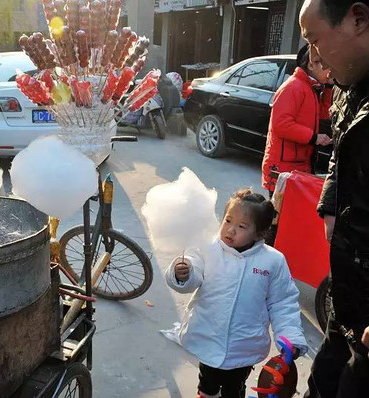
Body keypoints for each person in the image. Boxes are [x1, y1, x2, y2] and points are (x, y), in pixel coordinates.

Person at [166, 189, 308, 398]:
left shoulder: (273, 261)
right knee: (208, 382)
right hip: (208, 336)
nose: (230, 230)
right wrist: (182, 274)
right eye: (228, 220)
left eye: (241, 226)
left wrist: (291, 338)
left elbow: (282, 303)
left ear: (260, 233)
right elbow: (191, 277)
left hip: (244, 345)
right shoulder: (207, 247)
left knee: (234, 387)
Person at [299, 0, 369, 396]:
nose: (314, 56)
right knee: (321, 382)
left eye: (316, 40)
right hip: (347, 300)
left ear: (357, 19)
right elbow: (339, 157)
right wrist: (329, 204)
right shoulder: (349, 89)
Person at [261, 43, 332, 196]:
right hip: (282, 167)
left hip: (298, 165)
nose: (329, 69)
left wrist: (329, 88)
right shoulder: (293, 87)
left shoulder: (311, 88)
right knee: (278, 217)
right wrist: (314, 137)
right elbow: (281, 124)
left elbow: (324, 114)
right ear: (311, 65)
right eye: (325, 65)